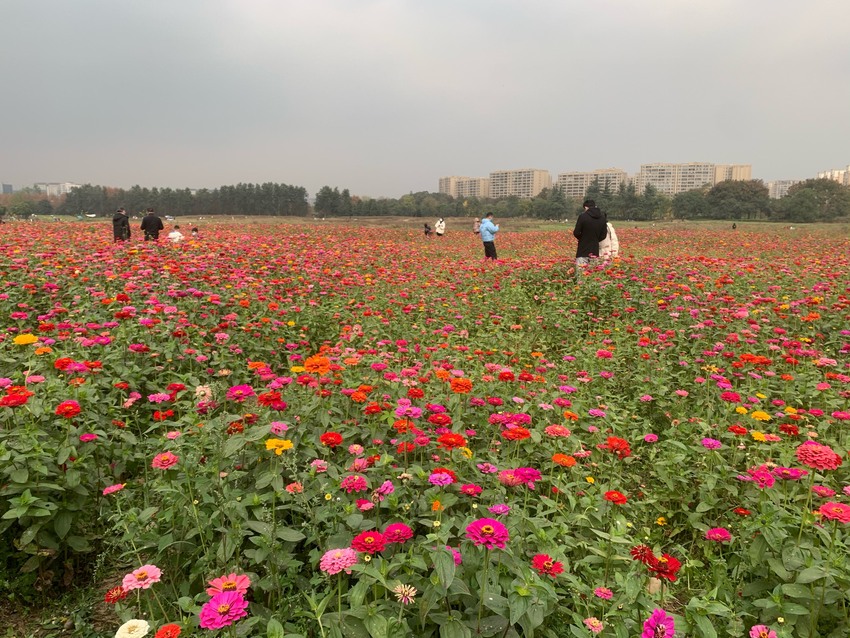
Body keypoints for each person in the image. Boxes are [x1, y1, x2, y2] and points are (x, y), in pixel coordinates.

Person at [573, 200, 608, 273]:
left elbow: (576, 232)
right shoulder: (602, 217)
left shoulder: (583, 216)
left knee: (581, 275)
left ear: (586, 207)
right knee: (592, 275)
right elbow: (603, 235)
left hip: (582, 250)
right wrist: (595, 239)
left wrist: (582, 238)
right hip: (595, 250)